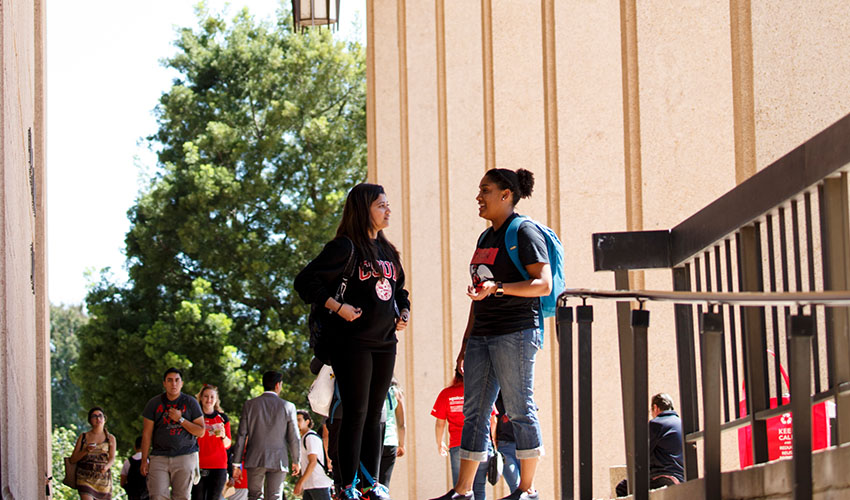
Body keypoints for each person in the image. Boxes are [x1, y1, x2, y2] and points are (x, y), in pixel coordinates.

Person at [432, 168, 551, 500]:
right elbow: (477, 294)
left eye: (485, 190)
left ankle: (527, 490)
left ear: (506, 194)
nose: (478, 197)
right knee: (474, 413)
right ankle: (463, 491)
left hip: (515, 332)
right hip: (481, 337)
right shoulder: (485, 238)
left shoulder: (523, 231)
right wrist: (465, 343)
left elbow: (543, 284)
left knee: (519, 409)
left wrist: (498, 287)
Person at [295, 183, 411, 500]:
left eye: (388, 204)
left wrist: (404, 312)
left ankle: (370, 484)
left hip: (385, 343)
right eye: (381, 205)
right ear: (364, 210)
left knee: (377, 414)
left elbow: (400, 291)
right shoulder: (345, 248)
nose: (388, 210)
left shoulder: (388, 251)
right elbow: (305, 281)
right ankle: (345, 485)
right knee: (356, 413)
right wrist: (337, 306)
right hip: (353, 342)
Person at [231, 370, 301, 500]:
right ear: (277, 385)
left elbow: (241, 435)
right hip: (279, 459)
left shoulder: (250, 405)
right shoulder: (288, 406)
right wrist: (296, 460)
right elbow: (294, 437)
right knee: (275, 496)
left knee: (255, 496)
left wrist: (236, 464)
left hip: (255, 458)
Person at [140, 367, 206, 500]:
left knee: (182, 497)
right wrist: (144, 460)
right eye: (169, 380)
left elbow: (201, 431)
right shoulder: (153, 403)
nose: (173, 384)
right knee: (157, 496)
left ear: (182, 383)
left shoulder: (191, 402)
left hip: (185, 455)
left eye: (177, 380)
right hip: (159, 456)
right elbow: (147, 434)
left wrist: (180, 419)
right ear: (164, 383)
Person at [431, 370, 492, 500]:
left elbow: (440, 423)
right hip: (482, 445)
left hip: (458, 445)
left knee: (460, 491)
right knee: (479, 487)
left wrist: (439, 442)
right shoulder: (480, 392)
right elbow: (493, 420)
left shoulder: (447, 394)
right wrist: (491, 442)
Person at [615, 393, 684, 497]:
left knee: (622, 487)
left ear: (655, 408)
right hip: (681, 479)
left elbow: (641, 453)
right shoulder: (681, 423)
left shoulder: (656, 424)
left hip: (663, 477)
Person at [192, 384, 232, 500]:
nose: (209, 400)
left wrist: (223, 435)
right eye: (206, 396)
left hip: (218, 466)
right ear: (200, 398)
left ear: (216, 400)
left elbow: (228, 445)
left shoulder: (222, 418)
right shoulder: (194, 417)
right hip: (198, 465)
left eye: (212, 397)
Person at [69, 406, 116, 500]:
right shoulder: (83, 437)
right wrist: (86, 450)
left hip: (102, 479)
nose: (98, 418)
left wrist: (106, 467)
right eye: (94, 416)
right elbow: (73, 459)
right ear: (90, 420)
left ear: (104, 419)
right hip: (84, 477)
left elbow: (112, 458)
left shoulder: (110, 438)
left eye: (100, 416)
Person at [295, 410, 334, 500]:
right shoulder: (304, 438)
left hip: (319, 484)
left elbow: (313, 462)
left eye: (299, 420)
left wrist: (300, 482)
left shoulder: (310, 437)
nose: (296, 423)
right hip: (310, 485)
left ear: (307, 422)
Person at [378, 378, 405, 489]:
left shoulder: (373, 389)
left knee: (370, 484)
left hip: (374, 441)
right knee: (385, 484)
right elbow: (401, 424)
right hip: (391, 442)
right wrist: (402, 445)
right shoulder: (396, 393)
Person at [494, 393, 520, 494]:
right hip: (504, 446)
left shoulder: (521, 397)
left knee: (527, 488)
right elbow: (492, 423)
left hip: (522, 446)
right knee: (515, 485)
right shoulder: (497, 401)